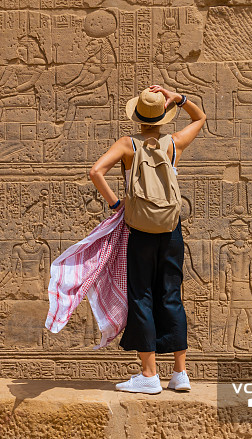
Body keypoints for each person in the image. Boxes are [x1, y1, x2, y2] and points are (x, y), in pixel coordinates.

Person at [88, 85, 205, 394]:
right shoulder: (174, 143)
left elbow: (96, 171)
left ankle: (149, 374)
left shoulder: (128, 146)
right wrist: (178, 97)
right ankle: (180, 373)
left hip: (139, 229)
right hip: (171, 229)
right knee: (171, 295)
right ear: (163, 116)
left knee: (141, 296)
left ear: (137, 117)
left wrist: (117, 203)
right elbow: (200, 117)